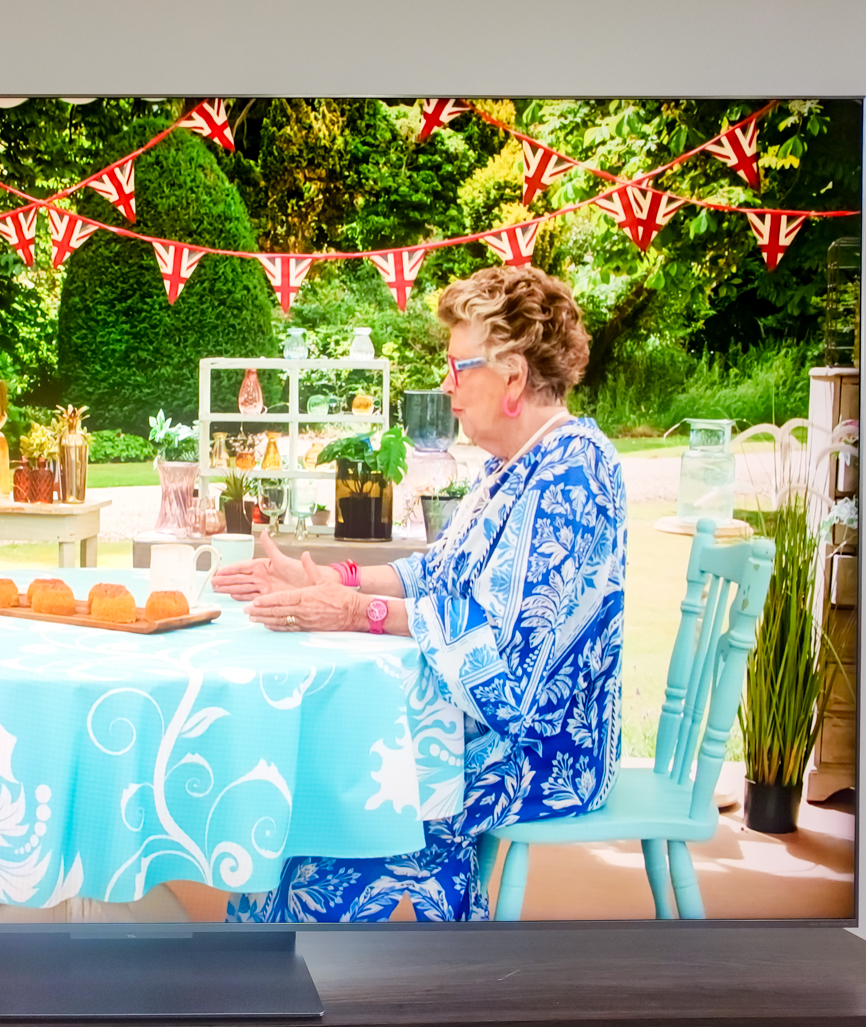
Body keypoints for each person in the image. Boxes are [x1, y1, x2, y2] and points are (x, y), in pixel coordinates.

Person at [212, 266, 626, 922]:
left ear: (513, 377)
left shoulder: (569, 479)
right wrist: (332, 579)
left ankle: (347, 988)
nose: (446, 386)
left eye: (459, 369)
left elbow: (504, 657)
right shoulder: (512, 468)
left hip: (539, 751)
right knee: (325, 778)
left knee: (348, 797)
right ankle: (291, 981)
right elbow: (438, 573)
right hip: (483, 728)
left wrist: (354, 613)